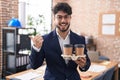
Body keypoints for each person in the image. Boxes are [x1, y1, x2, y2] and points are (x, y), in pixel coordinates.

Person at [29, 2, 91, 80]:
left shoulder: (79, 39)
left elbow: (87, 64)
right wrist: (36, 48)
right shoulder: (45, 40)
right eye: (59, 17)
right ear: (54, 18)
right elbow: (34, 66)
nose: (63, 20)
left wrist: (84, 65)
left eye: (66, 17)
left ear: (70, 18)